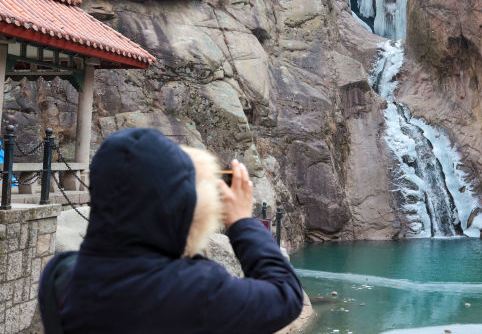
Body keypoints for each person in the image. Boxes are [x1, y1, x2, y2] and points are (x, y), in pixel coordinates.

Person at [38, 128, 303, 333]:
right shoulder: (196, 292)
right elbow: (286, 294)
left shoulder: (61, 275)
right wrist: (242, 221)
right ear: (177, 203)